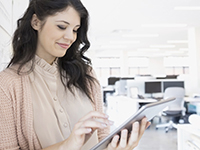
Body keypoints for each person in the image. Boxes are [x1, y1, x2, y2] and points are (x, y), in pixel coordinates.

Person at [0, 0, 151, 149]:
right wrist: (67, 146)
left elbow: (101, 136)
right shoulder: (7, 84)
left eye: (75, 29)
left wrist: (116, 147)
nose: (70, 37)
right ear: (36, 22)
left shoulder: (86, 75)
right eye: (62, 27)